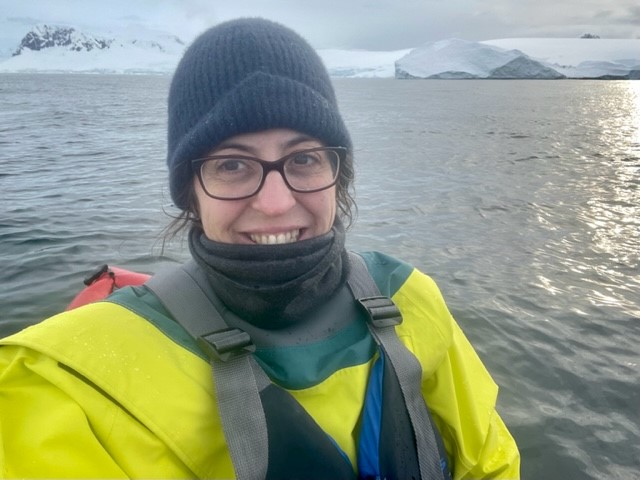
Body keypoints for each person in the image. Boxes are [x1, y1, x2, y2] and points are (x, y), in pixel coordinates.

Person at [0, 18, 520, 479]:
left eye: (305, 159)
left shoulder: (410, 298)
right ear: (190, 191)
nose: (275, 203)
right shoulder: (67, 379)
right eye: (231, 164)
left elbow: (490, 464)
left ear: (339, 175)